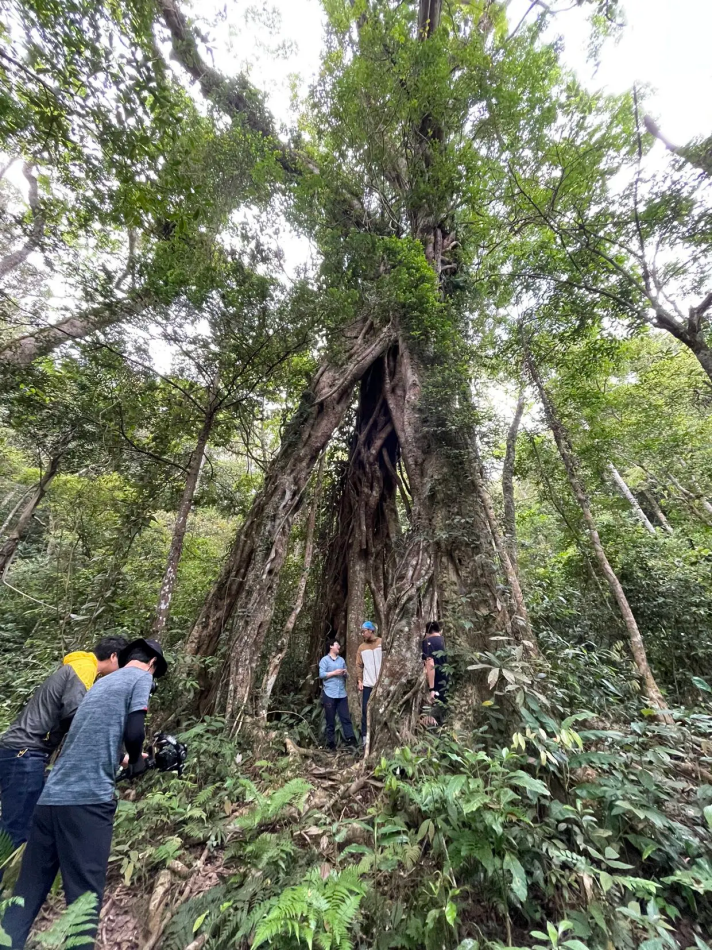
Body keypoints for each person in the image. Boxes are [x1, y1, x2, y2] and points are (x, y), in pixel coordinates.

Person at [1, 637, 168, 950]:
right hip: (88, 803)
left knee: (26, 894)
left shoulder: (97, 685)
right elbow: (134, 732)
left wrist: (130, 759)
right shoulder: (141, 676)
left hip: (50, 799)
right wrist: (136, 763)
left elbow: (90, 737)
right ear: (152, 664)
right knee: (84, 903)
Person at [0, 636, 127, 854]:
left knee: (26, 825)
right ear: (114, 656)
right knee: (15, 830)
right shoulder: (84, 668)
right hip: (25, 753)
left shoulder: (79, 666)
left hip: (21, 752)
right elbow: (75, 715)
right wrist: (116, 753)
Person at [318, 639, 356, 752]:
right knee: (330, 720)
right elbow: (321, 674)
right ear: (331, 646)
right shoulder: (324, 660)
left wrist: (344, 673)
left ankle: (351, 741)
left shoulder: (341, 660)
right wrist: (334, 673)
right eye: (337, 644)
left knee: (345, 718)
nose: (339, 646)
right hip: (329, 693)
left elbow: (347, 675)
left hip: (341, 694)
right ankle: (331, 744)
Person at [356, 621, 382, 747]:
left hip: (382, 683)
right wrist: (360, 680)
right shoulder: (361, 647)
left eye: (364, 631)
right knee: (365, 710)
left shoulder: (381, 643)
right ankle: (365, 737)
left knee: (381, 709)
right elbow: (359, 665)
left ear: (371, 630)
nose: (362, 634)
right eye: (361, 632)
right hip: (368, 684)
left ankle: (379, 736)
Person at [422, 621, 449, 721]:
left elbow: (430, 664)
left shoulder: (427, 643)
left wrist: (431, 689)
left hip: (437, 682)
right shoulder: (445, 640)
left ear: (427, 632)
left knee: (435, 713)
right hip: (448, 680)